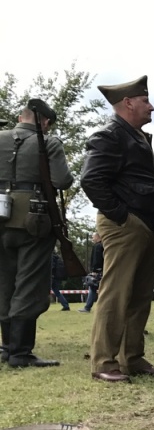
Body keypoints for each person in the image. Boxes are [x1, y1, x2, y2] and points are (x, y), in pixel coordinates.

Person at [81, 76, 154, 383]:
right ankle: (104, 361)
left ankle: (131, 357)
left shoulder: (135, 136)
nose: (152, 106)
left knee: (140, 294)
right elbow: (91, 180)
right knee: (116, 293)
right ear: (129, 102)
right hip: (126, 224)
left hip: (144, 223)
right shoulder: (110, 135)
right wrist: (121, 216)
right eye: (145, 100)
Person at [0, 98, 71, 368]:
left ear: (21, 117)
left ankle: (7, 347)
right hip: (33, 220)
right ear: (45, 122)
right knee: (29, 285)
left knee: (4, 283)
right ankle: (20, 353)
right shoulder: (49, 142)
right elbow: (62, 180)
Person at [78, 233, 103, 313]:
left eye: (93, 236)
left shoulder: (97, 247)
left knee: (93, 288)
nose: (92, 238)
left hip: (98, 271)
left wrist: (95, 270)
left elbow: (96, 259)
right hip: (102, 270)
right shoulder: (102, 245)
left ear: (97, 237)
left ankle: (88, 307)